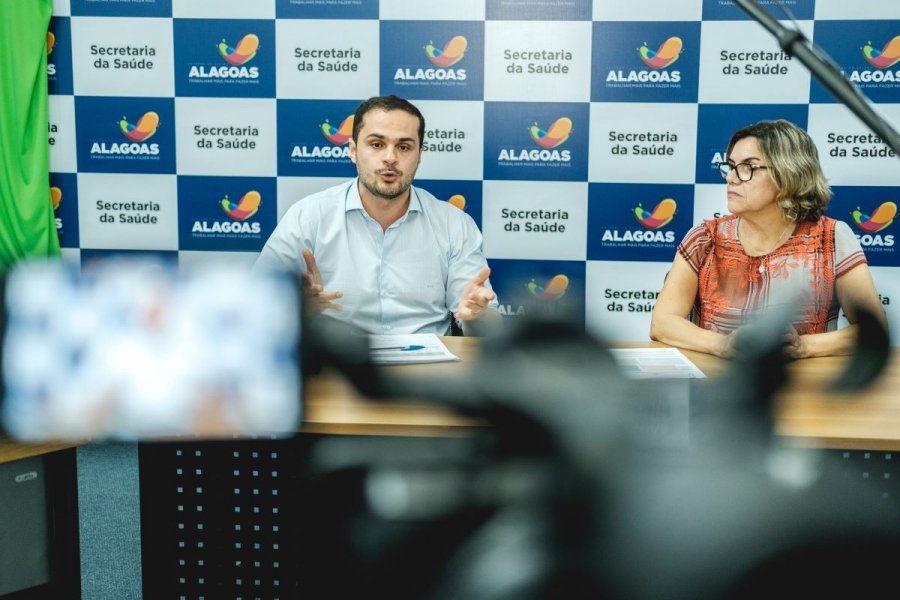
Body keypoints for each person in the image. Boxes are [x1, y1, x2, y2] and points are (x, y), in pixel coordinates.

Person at [254, 94, 500, 335]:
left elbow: (484, 324)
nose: (390, 158)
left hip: (427, 361)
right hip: (336, 357)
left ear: (419, 155)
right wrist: (296, 308)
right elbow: (255, 303)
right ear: (353, 150)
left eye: (404, 147)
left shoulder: (454, 224)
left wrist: (477, 316)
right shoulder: (308, 217)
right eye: (376, 144)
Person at [650, 119, 886, 358]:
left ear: (788, 174)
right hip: (716, 380)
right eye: (731, 166)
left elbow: (874, 331)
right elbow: (662, 322)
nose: (731, 178)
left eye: (748, 167)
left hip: (804, 380)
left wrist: (805, 346)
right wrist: (722, 345)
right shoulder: (705, 237)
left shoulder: (831, 238)